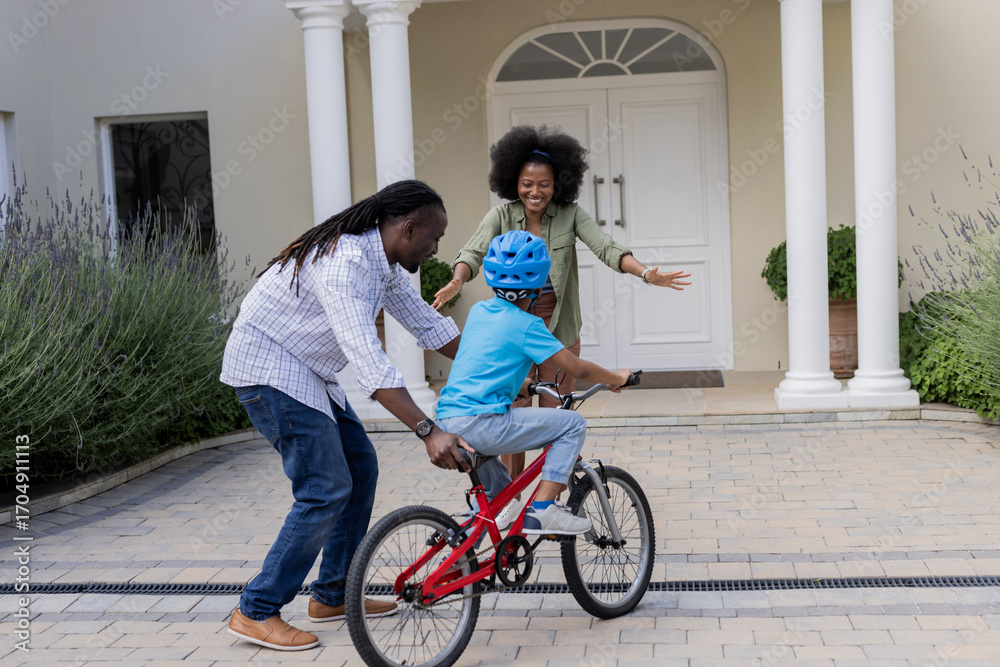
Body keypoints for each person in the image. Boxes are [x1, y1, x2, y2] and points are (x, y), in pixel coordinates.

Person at [220, 180, 475, 652]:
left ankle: (332, 594)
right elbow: (369, 363)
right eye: (434, 238)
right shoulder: (346, 263)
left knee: (360, 467)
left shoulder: (383, 264)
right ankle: (255, 610)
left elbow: (429, 325)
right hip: (270, 370)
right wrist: (427, 430)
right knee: (325, 488)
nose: (436, 249)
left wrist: (499, 371)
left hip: (307, 371)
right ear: (409, 227)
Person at [432, 125, 690, 506]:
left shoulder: (570, 215)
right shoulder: (501, 215)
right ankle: (511, 506)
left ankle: (551, 506)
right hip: (515, 329)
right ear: (513, 182)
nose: (535, 192)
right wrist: (457, 281)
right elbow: (472, 252)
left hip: (557, 329)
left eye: (544, 185)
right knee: (513, 413)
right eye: (527, 184)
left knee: (556, 417)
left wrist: (645, 274)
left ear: (558, 185)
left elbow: (606, 247)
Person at [435, 230, 633, 535]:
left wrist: (522, 384)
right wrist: (615, 378)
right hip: (482, 423)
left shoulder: (479, 311)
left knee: (499, 494)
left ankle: (463, 553)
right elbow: (577, 367)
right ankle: (543, 509)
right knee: (572, 425)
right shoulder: (529, 325)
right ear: (540, 283)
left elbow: (485, 362)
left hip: (448, 422)